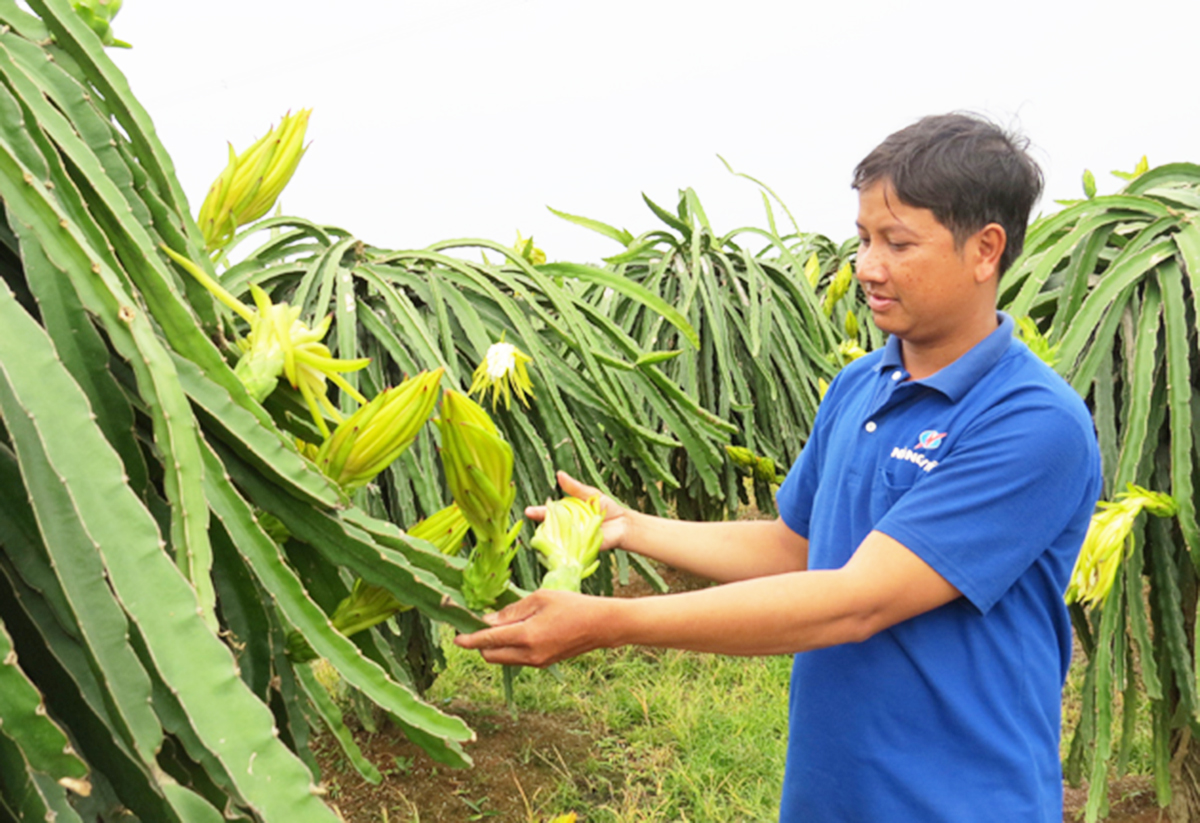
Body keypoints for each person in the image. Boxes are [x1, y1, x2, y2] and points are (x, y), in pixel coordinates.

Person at [455, 113, 1103, 822]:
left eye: (897, 242)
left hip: (961, 801)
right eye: (863, 238)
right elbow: (797, 547)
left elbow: (857, 599)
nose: (867, 267)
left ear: (985, 250)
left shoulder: (1031, 421)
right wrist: (632, 526)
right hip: (832, 794)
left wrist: (612, 621)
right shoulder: (860, 385)